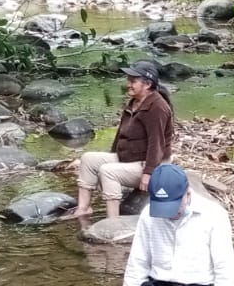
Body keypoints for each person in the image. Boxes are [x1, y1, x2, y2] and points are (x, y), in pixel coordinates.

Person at [74, 61, 175, 219]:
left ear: (147, 84)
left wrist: (148, 173)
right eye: (128, 80)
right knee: (88, 159)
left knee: (107, 171)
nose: (128, 84)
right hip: (130, 159)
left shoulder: (157, 107)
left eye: (133, 81)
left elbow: (157, 144)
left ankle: (114, 222)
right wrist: (113, 155)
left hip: (153, 166)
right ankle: (83, 209)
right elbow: (120, 135)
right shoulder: (134, 103)